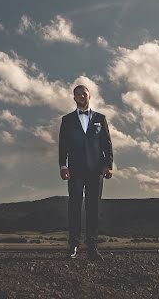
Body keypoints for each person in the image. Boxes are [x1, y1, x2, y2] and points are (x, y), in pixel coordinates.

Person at [58, 84, 113, 261]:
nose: (81, 96)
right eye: (77, 94)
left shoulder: (100, 118)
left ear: (90, 96)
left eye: (84, 93)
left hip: (95, 169)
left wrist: (108, 165)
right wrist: (63, 166)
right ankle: (73, 246)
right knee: (74, 207)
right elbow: (62, 145)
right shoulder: (67, 120)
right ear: (74, 98)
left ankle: (92, 247)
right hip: (74, 170)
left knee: (93, 208)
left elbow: (107, 144)